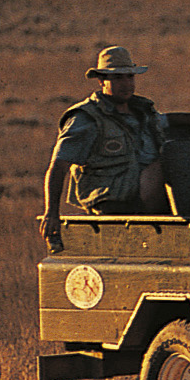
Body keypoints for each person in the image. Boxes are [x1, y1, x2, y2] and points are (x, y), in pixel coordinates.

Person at [42, 47, 173, 248]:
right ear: (102, 80)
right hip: (114, 201)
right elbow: (59, 166)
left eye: (130, 77)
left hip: (145, 198)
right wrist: (51, 213)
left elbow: (165, 121)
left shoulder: (142, 112)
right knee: (167, 164)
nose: (126, 84)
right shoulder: (87, 119)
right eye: (117, 78)